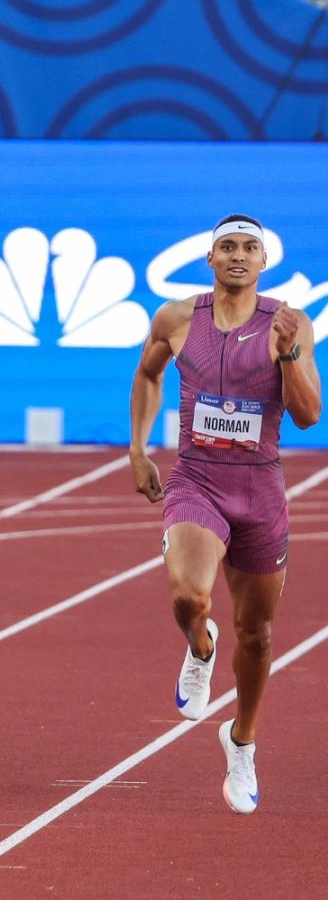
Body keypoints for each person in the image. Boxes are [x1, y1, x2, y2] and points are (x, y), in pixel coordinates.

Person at [128, 214, 321, 814]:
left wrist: (289, 355)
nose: (238, 256)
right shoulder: (177, 319)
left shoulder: (287, 323)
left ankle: (241, 742)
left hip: (260, 489)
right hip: (197, 481)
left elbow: (310, 415)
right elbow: (147, 373)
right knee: (189, 597)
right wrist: (137, 449)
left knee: (258, 635)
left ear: (264, 262)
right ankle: (199, 649)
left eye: (250, 249)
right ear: (209, 259)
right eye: (227, 247)